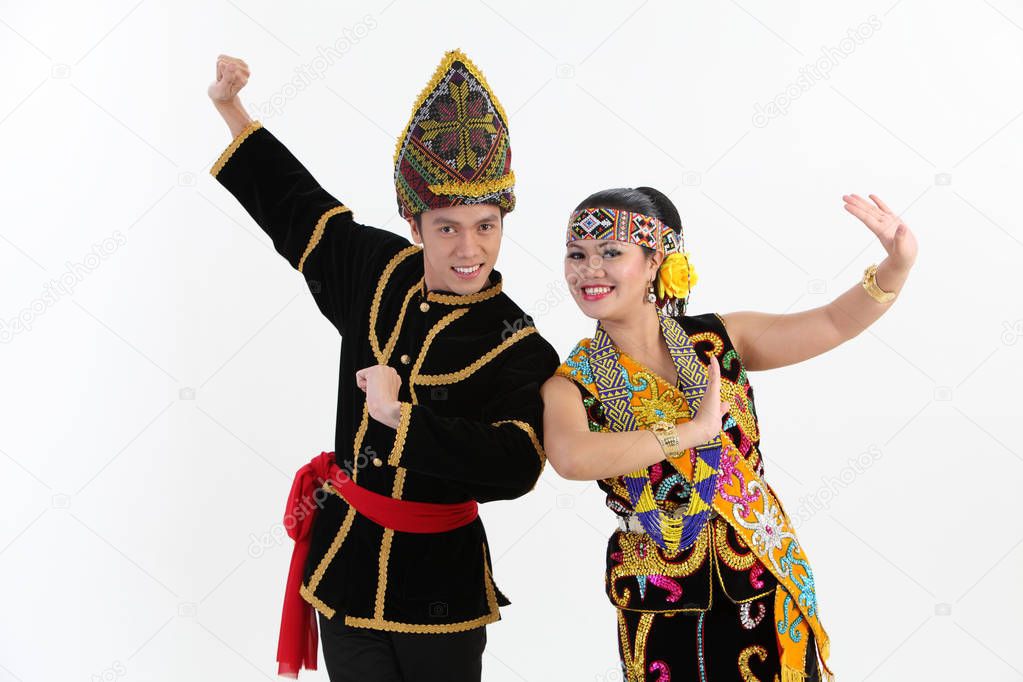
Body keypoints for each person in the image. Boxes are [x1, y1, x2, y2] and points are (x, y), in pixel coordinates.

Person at [207, 49, 559, 681]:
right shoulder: (376, 271)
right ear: (414, 223)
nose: (469, 248)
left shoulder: (519, 344)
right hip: (343, 566)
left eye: (485, 225)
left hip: (441, 592)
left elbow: (516, 466)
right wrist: (231, 107)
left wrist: (403, 418)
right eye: (447, 228)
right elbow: (298, 210)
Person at [541, 186, 918, 681]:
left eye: (611, 252)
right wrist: (690, 432)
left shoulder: (720, 341)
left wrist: (898, 263)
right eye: (577, 255)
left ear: (656, 261)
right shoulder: (573, 382)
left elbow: (832, 323)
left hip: (761, 572)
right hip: (663, 597)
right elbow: (572, 457)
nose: (589, 269)